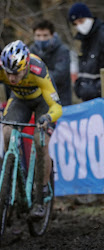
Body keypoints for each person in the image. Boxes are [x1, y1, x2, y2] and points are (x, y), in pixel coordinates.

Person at [0, 40, 62, 219]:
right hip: (19, 100)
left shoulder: (38, 70)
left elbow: (57, 107)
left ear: (26, 66)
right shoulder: (4, 69)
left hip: (43, 102)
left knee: (39, 140)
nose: (11, 78)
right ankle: (12, 175)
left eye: (16, 73)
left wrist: (48, 118)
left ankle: (40, 198)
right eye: (8, 73)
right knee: (7, 132)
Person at [68, 2, 104, 101]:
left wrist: (101, 89)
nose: (79, 26)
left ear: (89, 17)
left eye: (81, 21)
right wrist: (79, 87)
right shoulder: (82, 39)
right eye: (75, 24)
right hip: (88, 98)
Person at [30, 19, 72, 106]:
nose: (42, 39)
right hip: (38, 100)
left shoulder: (62, 51)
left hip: (61, 98)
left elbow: (60, 75)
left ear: (52, 35)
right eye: (38, 35)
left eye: (45, 35)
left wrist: (37, 78)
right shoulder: (31, 51)